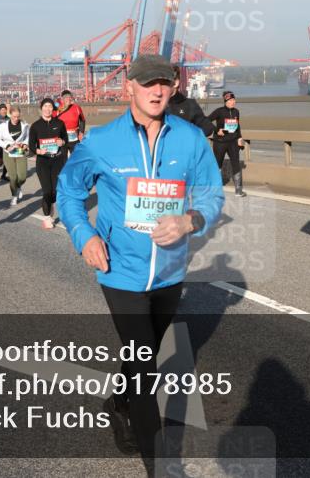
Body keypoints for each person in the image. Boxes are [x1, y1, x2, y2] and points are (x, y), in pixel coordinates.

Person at [57, 54, 224, 471]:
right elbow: (69, 192)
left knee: (140, 354)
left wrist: (190, 220)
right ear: (129, 87)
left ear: (173, 87)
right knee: (146, 367)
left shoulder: (189, 139)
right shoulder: (101, 141)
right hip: (120, 271)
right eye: (148, 83)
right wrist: (84, 235)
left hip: (169, 270)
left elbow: (211, 193)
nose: (157, 90)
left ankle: (118, 403)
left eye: (164, 83)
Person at [29, 98, 68, 229]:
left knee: (55, 192)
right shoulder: (35, 126)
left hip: (57, 161)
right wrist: (38, 151)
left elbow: (66, 140)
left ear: (53, 109)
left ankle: (50, 204)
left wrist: (62, 142)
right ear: (41, 108)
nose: (47, 109)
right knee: (47, 191)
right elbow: (31, 146)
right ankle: (47, 217)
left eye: (50, 106)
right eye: (45, 106)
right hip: (43, 162)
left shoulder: (60, 123)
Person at [207, 91, 246, 197]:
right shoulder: (219, 111)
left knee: (236, 164)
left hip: (233, 142)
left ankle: (238, 190)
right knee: (217, 164)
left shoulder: (236, 112)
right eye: (231, 100)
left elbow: (237, 126)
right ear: (226, 101)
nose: (233, 102)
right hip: (220, 142)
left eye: (234, 100)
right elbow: (207, 120)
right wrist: (216, 130)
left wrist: (240, 137)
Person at [0, 105, 30, 208]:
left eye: (18, 116)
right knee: (13, 177)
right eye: (14, 116)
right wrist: (7, 146)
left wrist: (25, 144)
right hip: (8, 153)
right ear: (10, 115)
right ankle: (14, 196)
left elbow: (27, 137)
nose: (16, 119)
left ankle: (18, 187)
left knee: (22, 176)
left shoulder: (24, 125)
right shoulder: (3, 126)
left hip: (20, 152)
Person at [167, 65, 214, 136]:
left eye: (164, 82)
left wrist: (189, 137)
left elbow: (207, 127)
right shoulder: (154, 105)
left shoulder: (190, 105)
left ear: (176, 83)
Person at [56, 90, 86, 155]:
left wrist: (81, 132)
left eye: (70, 97)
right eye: (66, 97)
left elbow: (82, 120)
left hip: (74, 138)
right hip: (62, 138)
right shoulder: (58, 109)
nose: (68, 99)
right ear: (62, 99)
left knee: (76, 157)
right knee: (62, 158)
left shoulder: (77, 108)